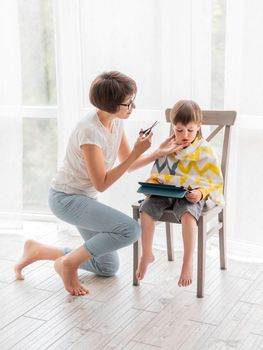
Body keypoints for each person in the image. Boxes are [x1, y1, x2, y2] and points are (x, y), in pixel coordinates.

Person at [14, 71, 181, 296]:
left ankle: (39, 250)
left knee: (107, 267)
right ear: (111, 105)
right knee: (131, 229)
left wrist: (156, 152)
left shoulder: (115, 122)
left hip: (84, 198)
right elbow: (102, 183)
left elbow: (128, 164)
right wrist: (135, 153)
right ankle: (68, 264)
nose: (133, 107)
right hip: (66, 199)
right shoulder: (89, 131)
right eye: (128, 103)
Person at [136, 100, 224, 287]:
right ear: (173, 127)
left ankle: (187, 262)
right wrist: (152, 187)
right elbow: (158, 172)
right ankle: (146, 253)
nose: (185, 135)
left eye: (190, 130)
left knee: (188, 214)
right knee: (146, 209)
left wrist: (200, 193)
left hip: (190, 194)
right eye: (179, 130)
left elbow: (213, 181)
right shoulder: (169, 146)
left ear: (198, 128)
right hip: (166, 191)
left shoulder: (204, 150)